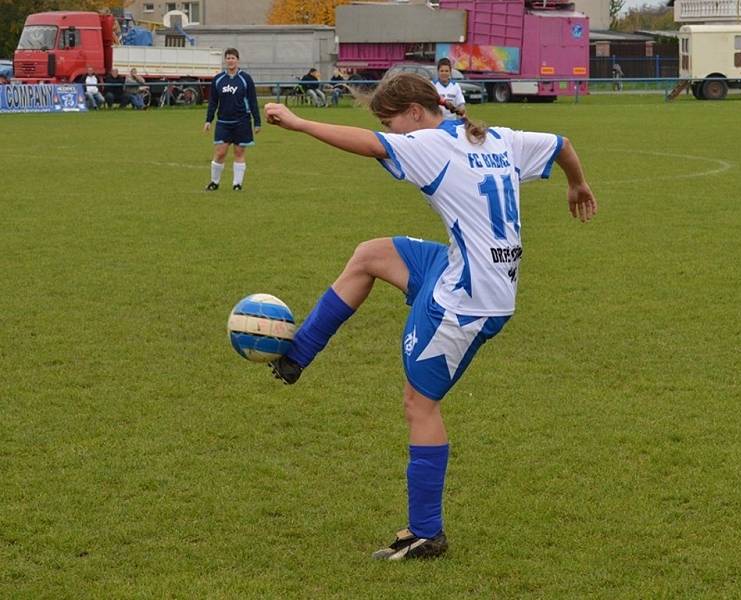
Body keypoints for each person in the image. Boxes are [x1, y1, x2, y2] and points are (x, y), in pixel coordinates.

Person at [263, 73, 597, 560]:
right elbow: (562, 144)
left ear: (416, 112)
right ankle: (297, 356)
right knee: (371, 255)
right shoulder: (499, 137)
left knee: (420, 405)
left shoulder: (427, 143)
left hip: (467, 300)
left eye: (391, 121)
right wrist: (578, 184)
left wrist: (298, 122)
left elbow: (367, 144)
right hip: (475, 273)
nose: (391, 132)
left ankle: (426, 532)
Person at [203, 48, 261, 191]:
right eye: (228, 58)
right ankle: (214, 182)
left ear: (237, 60)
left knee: (239, 152)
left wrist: (257, 122)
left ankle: (237, 184)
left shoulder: (245, 78)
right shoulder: (218, 79)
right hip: (223, 122)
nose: (230, 61)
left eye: (233, 58)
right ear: (225, 60)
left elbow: (253, 101)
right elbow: (213, 102)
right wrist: (208, 120)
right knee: (220, 153)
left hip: (242, 121)